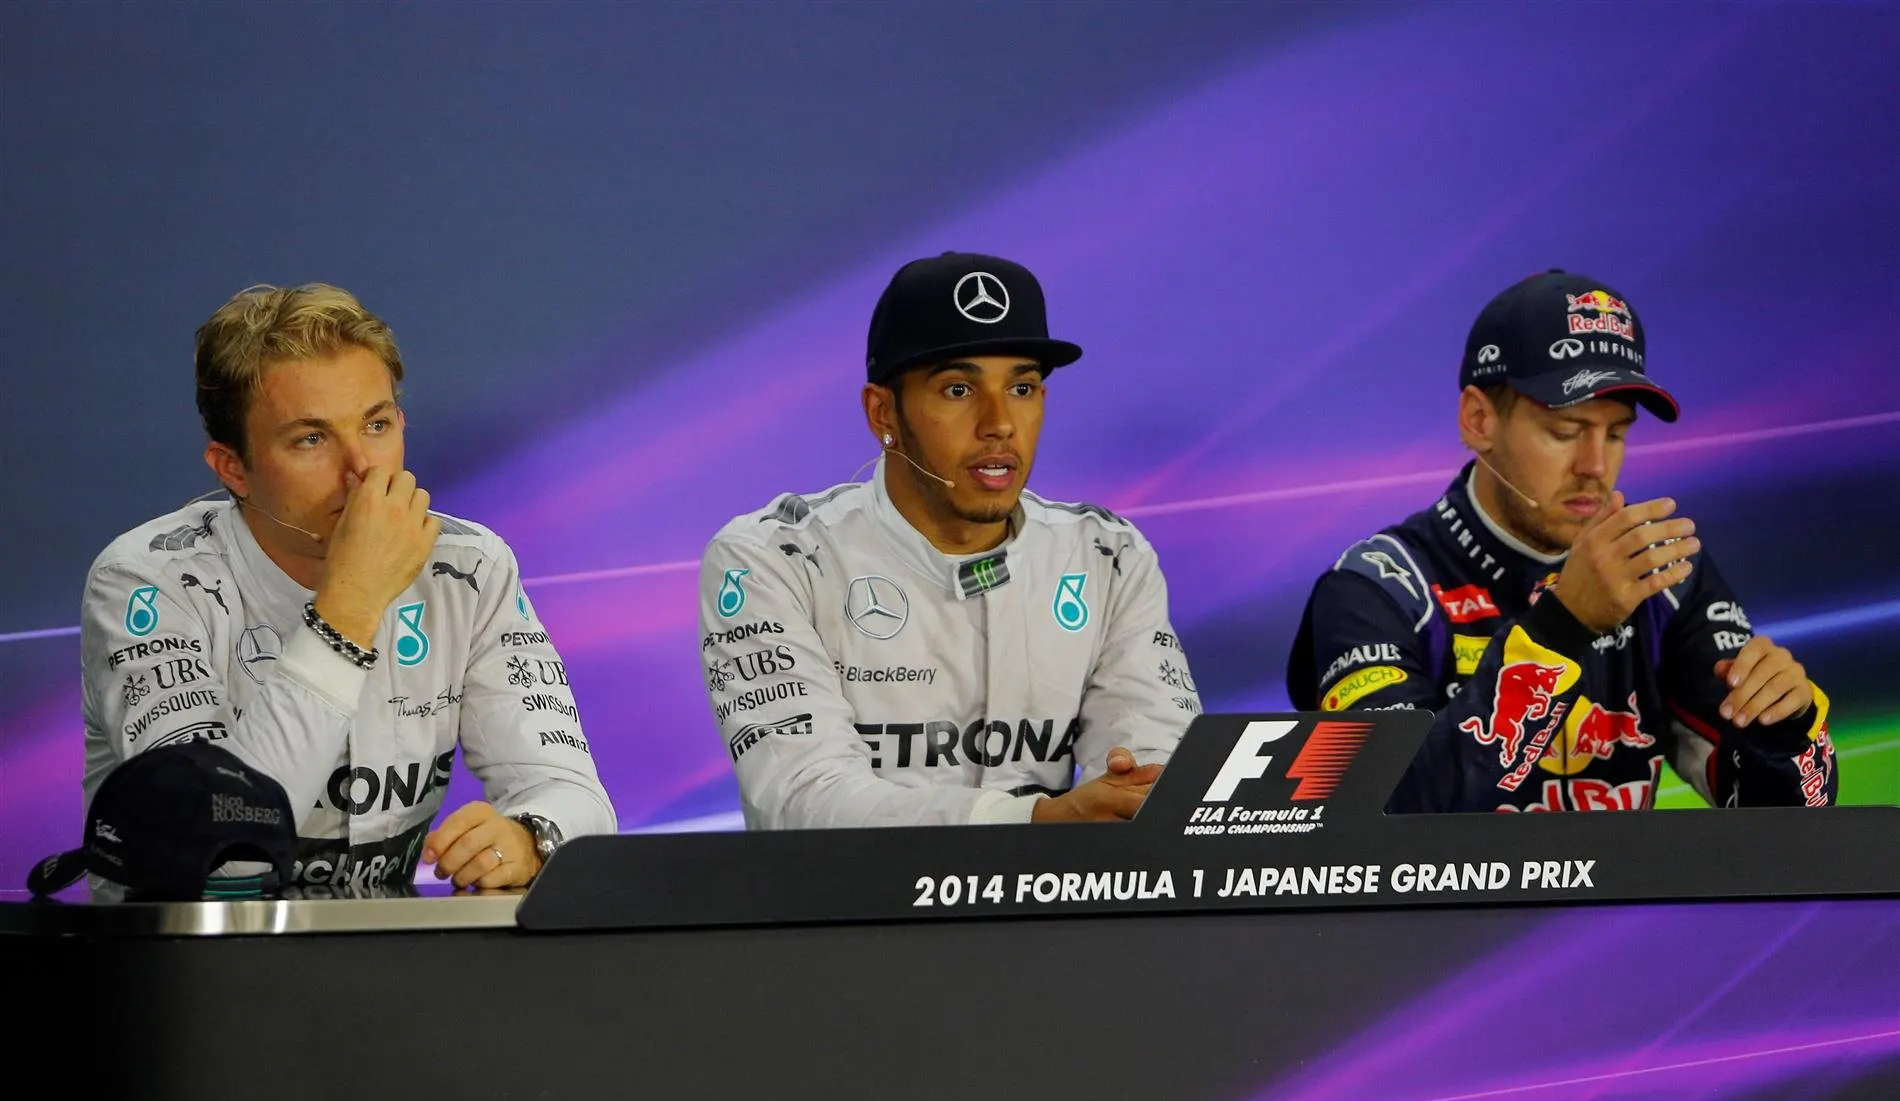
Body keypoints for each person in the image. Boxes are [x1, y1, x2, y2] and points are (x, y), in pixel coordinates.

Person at [80, 283, 615, 888]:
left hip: (383, 962)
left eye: (377, 424)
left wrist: (530, 837)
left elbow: (573, 794)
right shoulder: (146, 583)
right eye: (310, 438)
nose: (362, 468)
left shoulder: (468, 567)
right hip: (196, 968)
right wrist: (349, 606)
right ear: (234, 469)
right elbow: (222, 854)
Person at [1286, 269, 1836, 812]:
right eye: (1564, 432)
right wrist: (1565, 625)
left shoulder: (1662, 579)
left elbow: (1791, 828)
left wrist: (1784, 733)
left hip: (1622, 904)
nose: (1596, 466)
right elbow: (1378, 818)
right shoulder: (1377, 588)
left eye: (1617, 434)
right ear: (1479, 420)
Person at [699, 251, 1200, 829]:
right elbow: (805, 799)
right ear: (882, 411)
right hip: (846, 913)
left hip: (1053, 913)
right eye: (959, 389)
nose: (1000, 423)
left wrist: (1136, 794)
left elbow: (1161, 775)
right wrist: (1034, 822)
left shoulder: (1107, 556)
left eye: (1023, 387)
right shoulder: (774, 560)